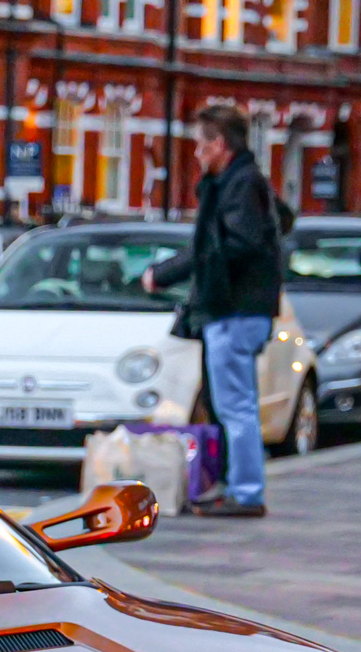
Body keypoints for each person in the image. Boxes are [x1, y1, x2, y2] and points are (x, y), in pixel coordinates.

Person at [145, 103, 283, 519]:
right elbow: (279, 222)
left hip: (234, 309)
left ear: (219, 144)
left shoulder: (239, 185)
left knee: (235, 406)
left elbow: (226, 247)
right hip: (235, 308)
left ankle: (246, 491)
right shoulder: (239, 182)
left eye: (200, 145)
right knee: (231, 403)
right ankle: (235, 485)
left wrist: (168, 274)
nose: (195, 153)